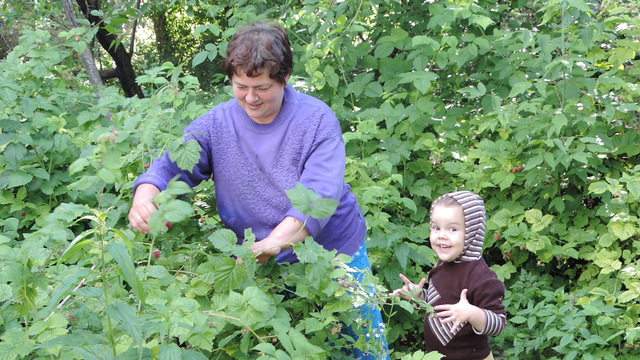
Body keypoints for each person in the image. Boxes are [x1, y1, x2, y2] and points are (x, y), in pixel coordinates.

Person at [128, 20, 389, 359]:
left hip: (333, 252)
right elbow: (170, 165)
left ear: (286, 79)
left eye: (262, 87)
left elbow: (319, 195)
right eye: (240, 86)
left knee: (363, 344)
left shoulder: (316, 121)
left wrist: (275, 242)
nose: (250, 98)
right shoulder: (215, 124)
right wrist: (145, 195)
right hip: (260, 260)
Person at [392, 190, 506, 360]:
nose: (441, 236)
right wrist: (420, 296)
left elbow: (499, 324)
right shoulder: (443, 265)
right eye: (436, 227)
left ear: (472, 232)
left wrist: (471, 313)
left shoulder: (482, 278)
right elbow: (441, 305)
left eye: (453, 229)